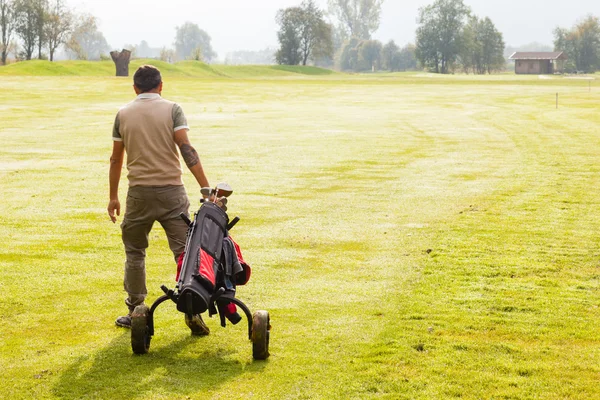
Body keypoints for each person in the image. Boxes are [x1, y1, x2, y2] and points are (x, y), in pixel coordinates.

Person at [107, 65, 211, 335]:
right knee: (184, 253)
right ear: (161, 85)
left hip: (138, 193)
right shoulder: (173, 109)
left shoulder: (123, 113)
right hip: (172, 194)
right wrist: (205, 187)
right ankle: (192, 309)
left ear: (135, 88)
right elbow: (186, 149)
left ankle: (135, 309)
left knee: (134, 252)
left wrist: (113, 196)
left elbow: (116, 158)